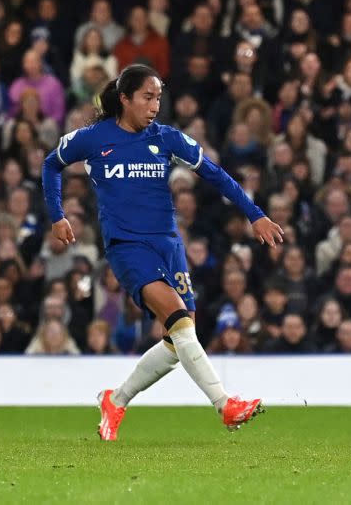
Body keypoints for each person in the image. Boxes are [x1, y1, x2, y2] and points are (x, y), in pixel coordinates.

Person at [41, 64, 284, 441]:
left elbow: (216, 173)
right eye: (147, 97)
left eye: (158, 98)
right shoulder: (93, 138)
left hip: (169, 245)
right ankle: (225, 405)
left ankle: (116, 400)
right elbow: (50, 164)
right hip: (127, 248)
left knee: (177, 341)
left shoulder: (167, 138)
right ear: (125, 98)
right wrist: (57, 215)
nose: (155, 105)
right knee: (181, 324)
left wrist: (256, 214)